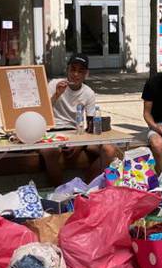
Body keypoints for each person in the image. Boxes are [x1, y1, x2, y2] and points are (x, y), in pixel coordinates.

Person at [40, 53, 117, 186]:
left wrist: (80, 144)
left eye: (80, 71)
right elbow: (42, 113)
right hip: (53, 131)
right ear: (67, 70)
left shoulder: (88, 93)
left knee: (110, 150)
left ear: (86, 74)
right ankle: (58, 192)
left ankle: (87, 186)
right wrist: (57, 95)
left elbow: (91, 124)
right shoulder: (54, 85)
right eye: (73, 69)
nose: (75, 74)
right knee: (50, 151)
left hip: (77, 133)